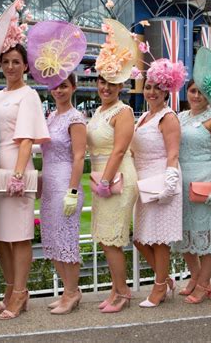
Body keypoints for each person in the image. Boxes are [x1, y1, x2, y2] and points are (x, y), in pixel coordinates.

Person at [0, 0, 50, 320]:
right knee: (0, 237)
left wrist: (17, 175)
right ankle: (10, 288)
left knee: (20, 235)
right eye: (6, 62)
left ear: (25, 65)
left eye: (16, 62)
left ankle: (21, 293)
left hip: (15, 169)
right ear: (1, 65)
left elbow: (26, 139)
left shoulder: (28, 96)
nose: (11, 66)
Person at [27, 21, 87, 315]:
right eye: (54, 86)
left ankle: (73, 293)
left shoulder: (76, 118)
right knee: (51, 241)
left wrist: (73, 191)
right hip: (49, 185)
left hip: (66, 183)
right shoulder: (50, 117)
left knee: (67, 241)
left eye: (64, 85)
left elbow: (79, 157)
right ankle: (68, 290)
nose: (59, 90)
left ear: (73, 86)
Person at [87, 18, 138, 313]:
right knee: (107, 239)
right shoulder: (98, 111)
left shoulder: (124, 111)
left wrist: (106, 181)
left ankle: (123, 293)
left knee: (113, 239)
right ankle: (116, 288)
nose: (105, 87)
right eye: (102, 81)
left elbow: (119, 150)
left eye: (112, 83)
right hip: (102, 178)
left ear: (121, 85)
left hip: (117, 178)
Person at [175, 47, 211, 304]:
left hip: (206, 181)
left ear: (210, 92)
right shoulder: (180, 117)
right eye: (192, 90)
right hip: (182, 182)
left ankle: (205, 281)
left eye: (201, 90)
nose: (196, 95)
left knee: (206, 234)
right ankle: (195, 275)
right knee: (185, 233)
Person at [131, 57, 186, 308]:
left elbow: (173, 154)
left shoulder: (168, 117)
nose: (151, 92)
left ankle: (159, 288)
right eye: (148, 86)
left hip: (162, 179)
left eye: (157, 88)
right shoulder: (143, 117)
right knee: (140, 238)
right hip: (142, 181)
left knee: (158, 239)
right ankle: (165, 279)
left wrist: (170, 184)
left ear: (167, 91)